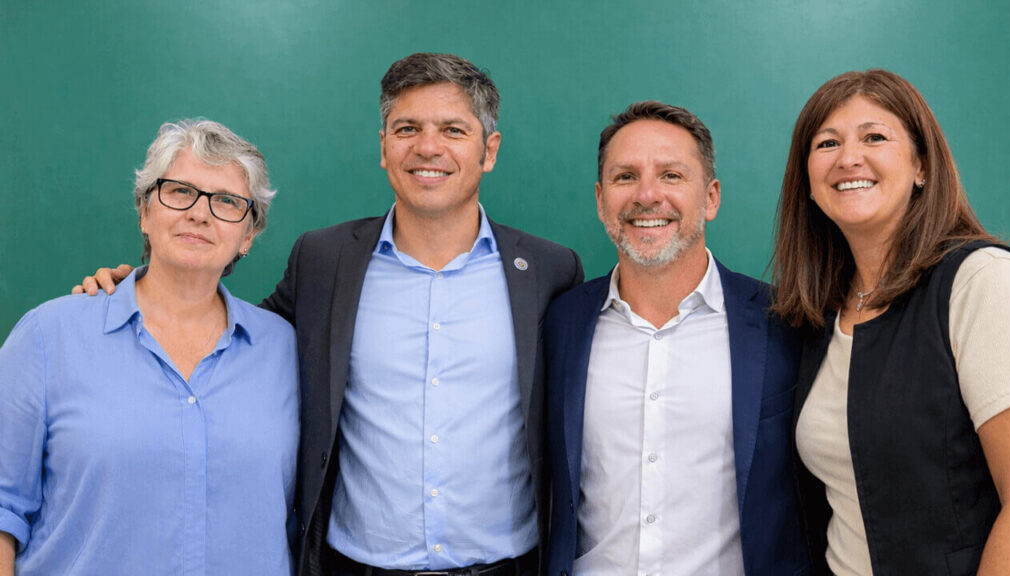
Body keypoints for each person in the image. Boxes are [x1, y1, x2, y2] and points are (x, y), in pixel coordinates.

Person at [77, 53, 583, 576]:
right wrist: (143, 289)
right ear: (384, 146)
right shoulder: (323, 260)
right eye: (406, 128)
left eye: (453, 129)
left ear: (489, 150)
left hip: (511, 568)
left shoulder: (547, 271)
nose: (427, 147)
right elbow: (229, 336)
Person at [0, 119, 299, 575]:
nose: (200, 213)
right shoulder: (48, 337)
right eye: (180, 191)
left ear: (249, 235)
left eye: (227, 202)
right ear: (145, 210)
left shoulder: (285, 350)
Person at [771, 69, 1010, 575]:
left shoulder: (983, 281)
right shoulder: (817, 315)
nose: (849, 158)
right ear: (809, 183)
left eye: (875, 137)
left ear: (921, 167)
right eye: (827, 143)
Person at [545, 101, 807, 575]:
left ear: (710, 197)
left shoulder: (783, 323)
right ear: (601, 200)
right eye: (626, 177)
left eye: (671, 175)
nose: (647, 195)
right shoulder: (560, 323)